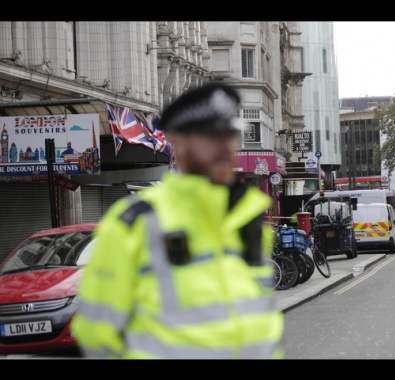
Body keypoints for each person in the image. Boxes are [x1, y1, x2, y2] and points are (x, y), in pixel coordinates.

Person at [70, 83, 284, 359]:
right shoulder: (136, 224)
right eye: (211, 136)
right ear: (179, 143)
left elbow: (257, 319)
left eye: (231, 134)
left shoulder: (247, 221)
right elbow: (96, 333)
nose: (226, 146)